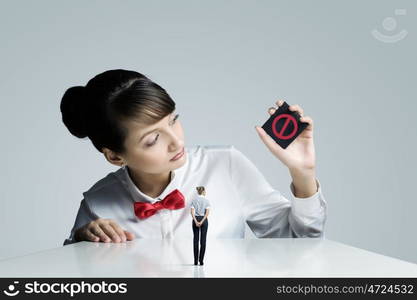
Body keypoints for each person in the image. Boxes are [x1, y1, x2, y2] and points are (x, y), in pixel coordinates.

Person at [60, 69, 327, 246]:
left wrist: (303, 173)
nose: (177, 141)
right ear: (115, 156)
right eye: (153, 139)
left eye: (173, 121)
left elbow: (301, 241)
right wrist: (82, 244)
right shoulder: (97, 203)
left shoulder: (226, 165)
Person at [190, 186, 210, 265]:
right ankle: (201, 260)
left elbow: (192, 212)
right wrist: (202, 221)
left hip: (195, 219)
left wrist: (195, 221)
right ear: (203, 191)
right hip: (204, 220)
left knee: (195, 240)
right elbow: (207, 213)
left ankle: (195, 261)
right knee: (203, 241)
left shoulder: (194, 200)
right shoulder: (207, 201)